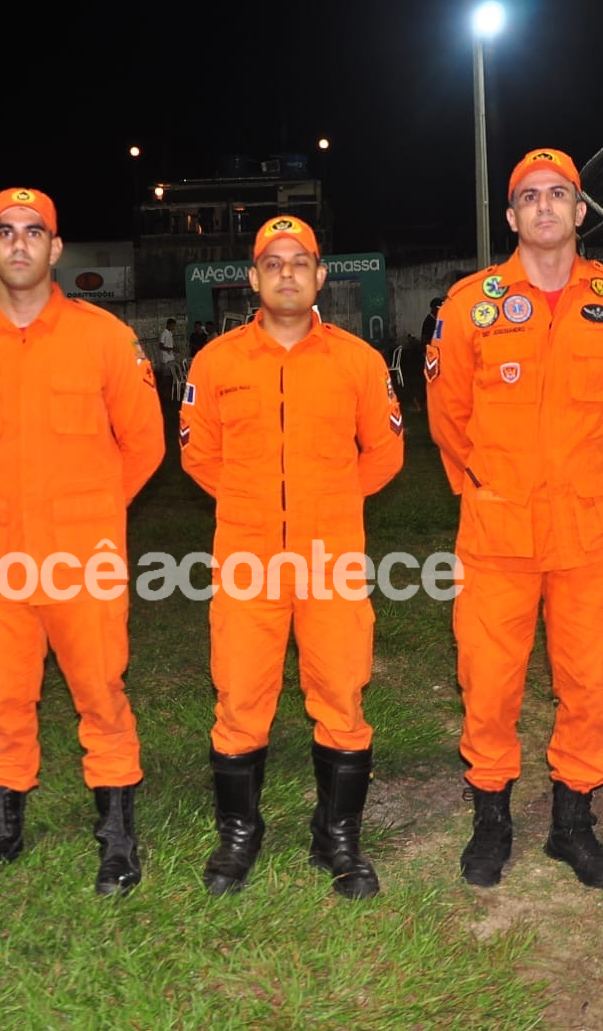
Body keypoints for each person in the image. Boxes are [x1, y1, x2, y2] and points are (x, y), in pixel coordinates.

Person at [0, 187, 165, 896]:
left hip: (82, 556)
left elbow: (144, 443)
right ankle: (3, 826)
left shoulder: (103, 338)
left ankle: (116, 834)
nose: (20, 243)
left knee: (100, 689)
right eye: (7, 231)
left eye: (35, 231)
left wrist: (91, 511)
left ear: (56, 248)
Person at [425, 148, 603, 890]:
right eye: (530, 196)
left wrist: (581, 475)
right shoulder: (472, 304)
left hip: (588, 530)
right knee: (489, 682)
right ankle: (491, 817)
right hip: (498, 530)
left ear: (580, 211)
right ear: (511, 216)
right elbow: (448, 416)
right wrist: (490, 482)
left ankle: (572, 823)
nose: (545, 206)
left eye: (559, 193)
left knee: (588, 680)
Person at [180, 214, 404, 899]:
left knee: (341, 694)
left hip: (331, 558)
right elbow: (199, 454)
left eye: (299, 261)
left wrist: (328, 504)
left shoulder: (358, 362)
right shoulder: (216, 362)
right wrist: (254, 507)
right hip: (246, 560)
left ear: (320, 275)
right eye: (272, 263)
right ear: (253, 278)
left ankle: (336, 837)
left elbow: (385, 452)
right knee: (240, 696)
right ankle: (238, 835)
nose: (286, 273)